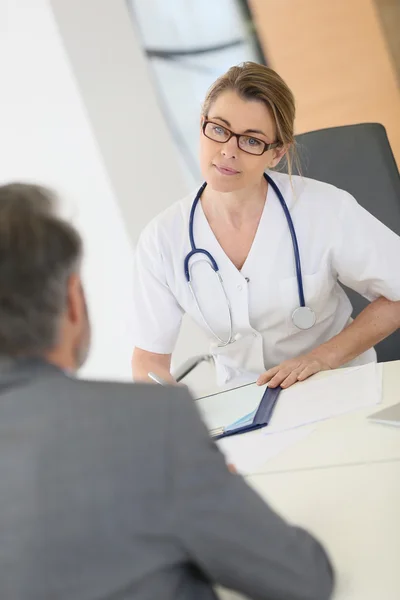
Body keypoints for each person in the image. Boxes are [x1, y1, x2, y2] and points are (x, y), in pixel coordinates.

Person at [0, 182, 334, 599]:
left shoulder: (320, 205)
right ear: (72, 300)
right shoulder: (152, 423)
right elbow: (302, 578)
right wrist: (216, 495)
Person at [131, 61, 400, 389]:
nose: (229, 151)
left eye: (252, 140)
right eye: (219, 129)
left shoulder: (324, 208)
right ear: (202, 125)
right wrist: (173, 423)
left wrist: (322, 358)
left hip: (340, 386)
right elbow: (149, 360)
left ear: (276, 153)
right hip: (245, 404)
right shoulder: (162, 240)